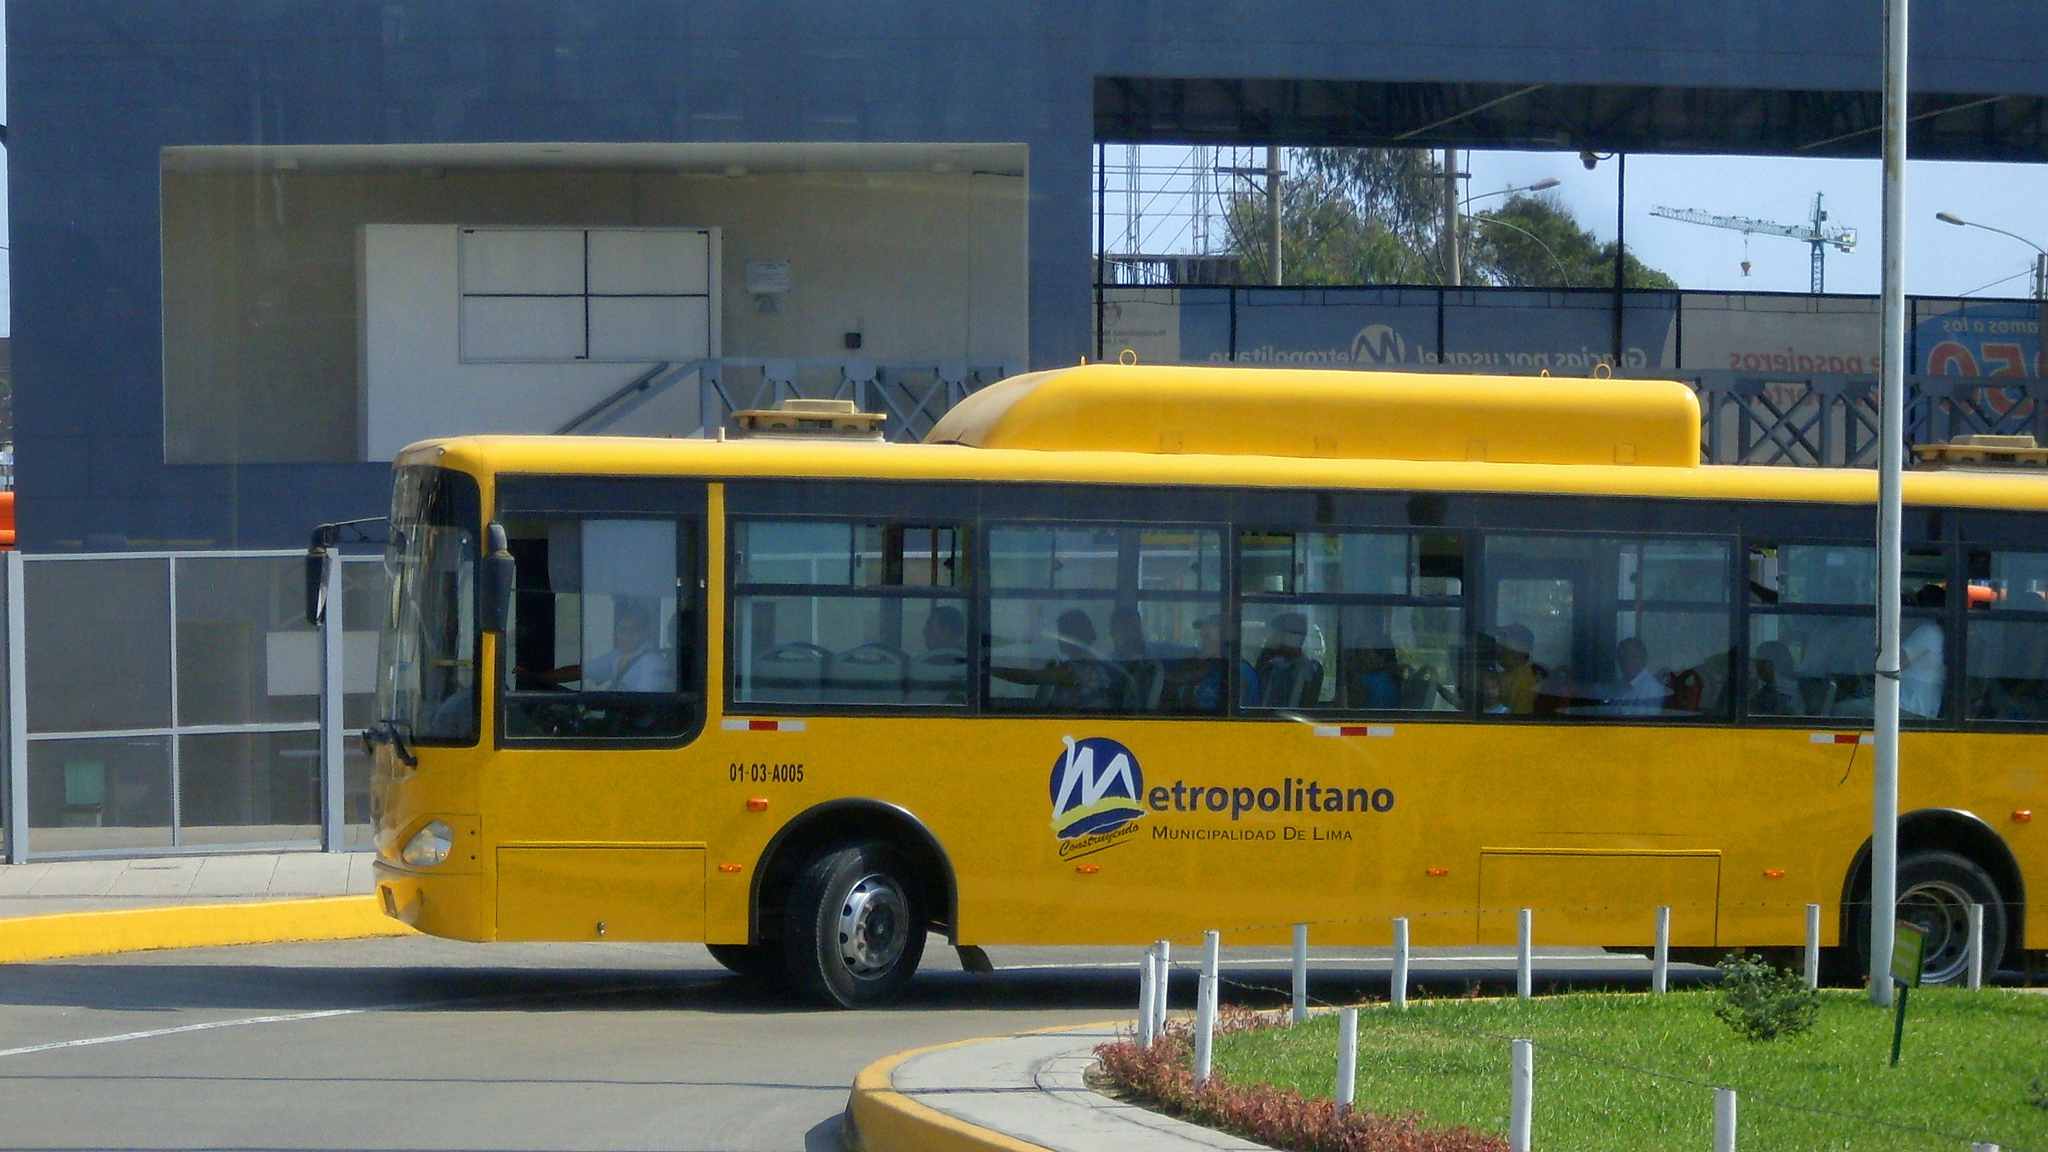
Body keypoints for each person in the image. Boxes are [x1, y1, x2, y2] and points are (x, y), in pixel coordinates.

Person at [583, 598, 674, 692]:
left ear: (645, 632)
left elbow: (644, 700)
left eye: (634, 630)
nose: (626, 636)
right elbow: (587, 670)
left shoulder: (653, 662)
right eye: (622, 630)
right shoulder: (617, 655)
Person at [1190, 612, 1256, 712]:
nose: (1202, 640)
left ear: (1225, 638)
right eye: (1202, 635)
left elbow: (1232, 717)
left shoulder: (1239, 672)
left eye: (1207, 636)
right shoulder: (1211, 666)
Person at [1901, 584, 1946, 719]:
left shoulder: (1927, 631)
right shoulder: (1937, 631)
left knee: (1843, 709)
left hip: (1909, 706)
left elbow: (1893, 664)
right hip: (1923, 704)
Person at [1612, 636, 1666, 715]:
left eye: (1633, 657)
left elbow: (1651, 724)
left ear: (1643, 659)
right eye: (1623, 657)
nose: (1628, 661)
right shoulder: (1618, 686)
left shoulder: (1653, 689)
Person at [1750, 640, 1803, 715]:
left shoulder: (1799, 695)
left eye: (1759, 663)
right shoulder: (1803, 690)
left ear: (1768, 665)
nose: (1756, 668)